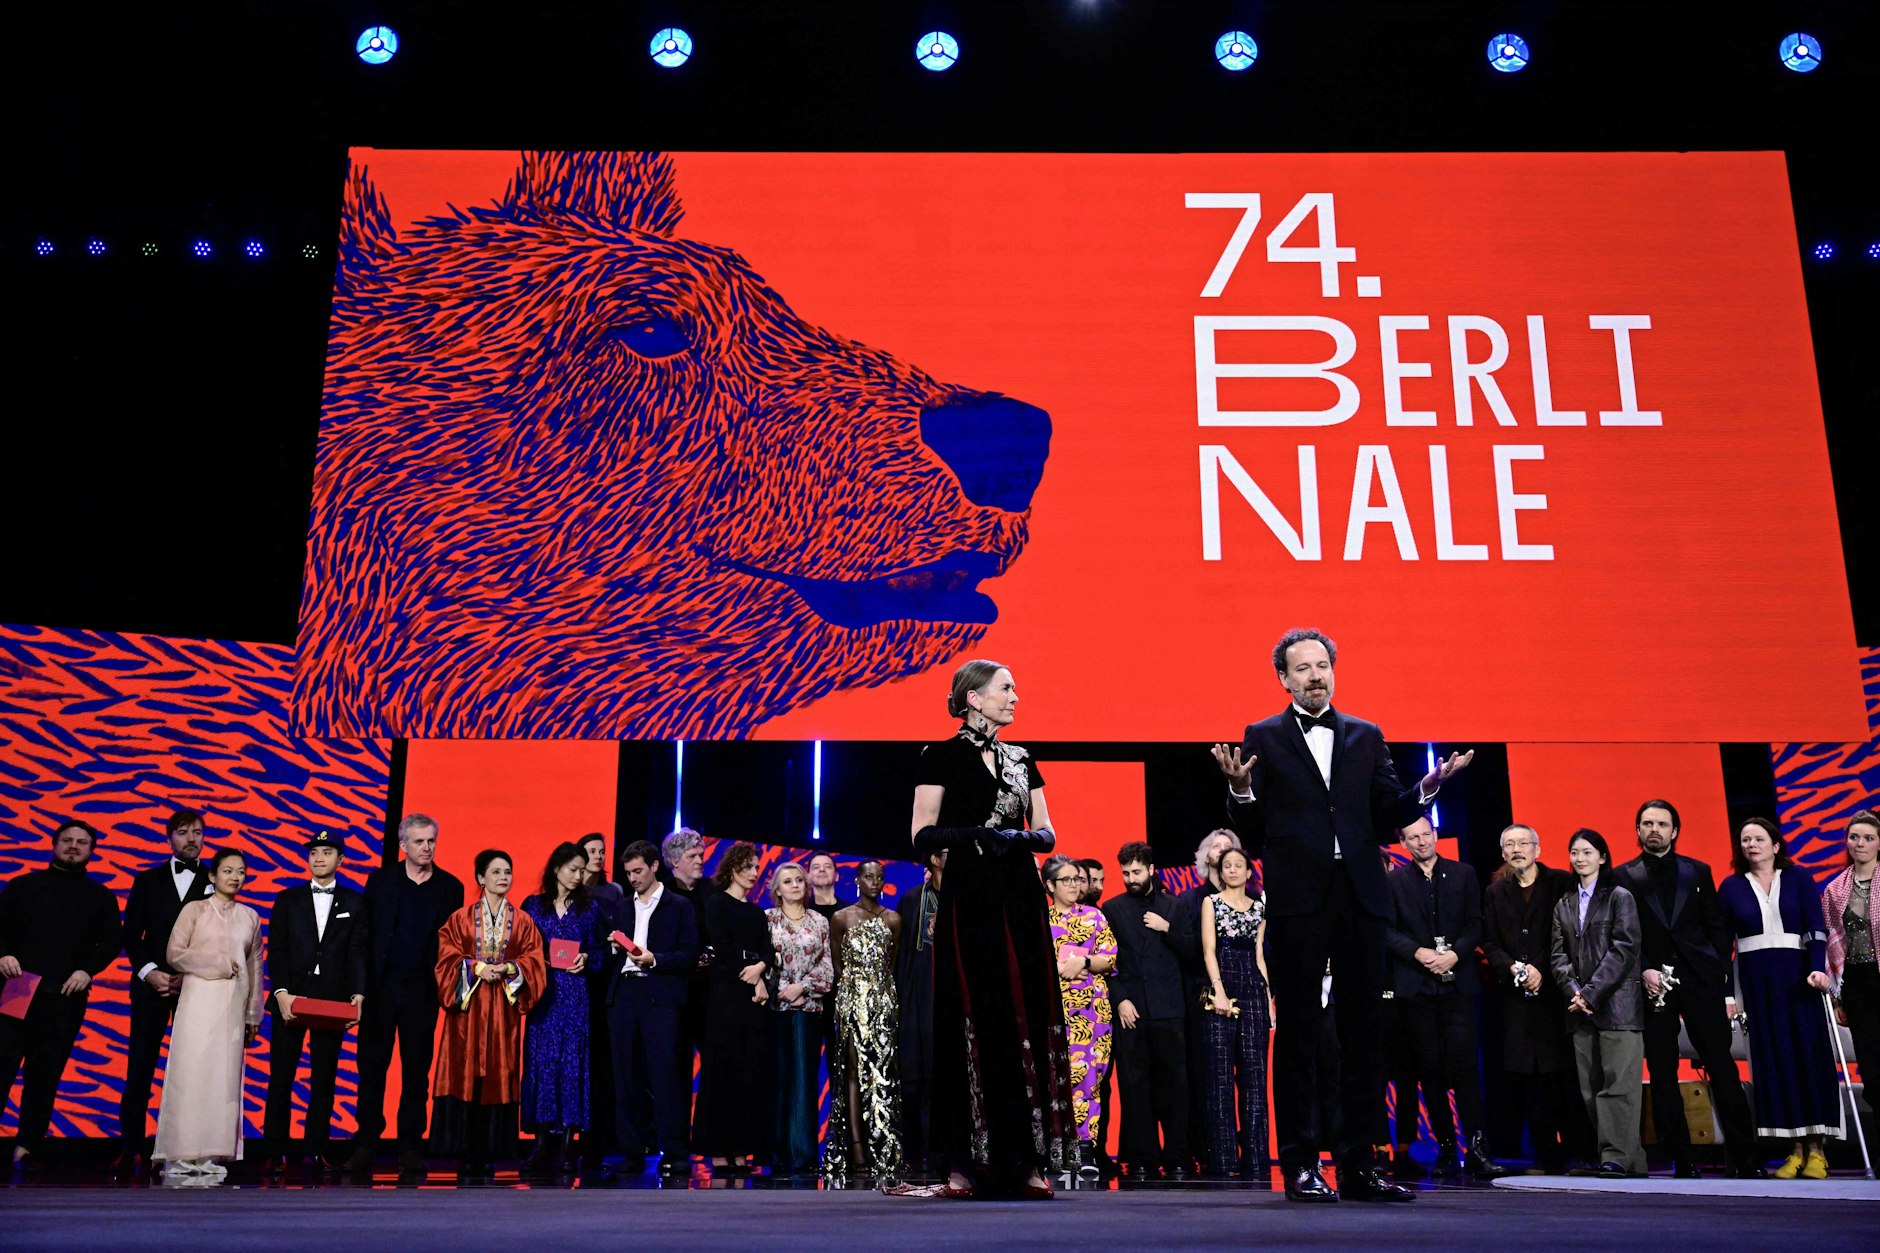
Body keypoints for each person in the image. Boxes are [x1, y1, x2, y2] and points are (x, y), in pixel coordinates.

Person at [1212, 627, 1469, 1203]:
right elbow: (1252, 836)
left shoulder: (1365, 734)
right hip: (1300, 900)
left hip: (1361, 898)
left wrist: (1429, 785)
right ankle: (1301, 1164)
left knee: (1364, 1035)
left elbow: (1385, 818)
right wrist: (1243, 793)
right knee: (1300, 1033)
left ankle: (1360, 1165)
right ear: (1283, 678)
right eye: (1301, 668)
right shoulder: (1263, 736)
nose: (1314, 675)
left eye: (1322, 665)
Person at [911, 658, 1076, 1198]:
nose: (1015, 697)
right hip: (969, 898)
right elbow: (921, 834)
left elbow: (1046, 833)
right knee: (970, 1015)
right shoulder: (940, 756)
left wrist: (1014, 840)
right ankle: (962, 1164)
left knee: (1021, 1014)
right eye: (1006, 688)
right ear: (974, 698)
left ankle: (1025, 1163)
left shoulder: (1022, 759)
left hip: (1019, 898)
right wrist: (977, 837)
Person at [1612, 799, 1760, 1178]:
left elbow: (1716, 928)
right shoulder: (1622, 876)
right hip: (1652, 985)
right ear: (1638, 830)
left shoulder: (1697, 871)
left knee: (1722, 1067)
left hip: (1700, 980)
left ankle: (1746, 1159)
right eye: (1647, 823)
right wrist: (1644, 969)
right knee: (1662, 1072)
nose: (1654, 829)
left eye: (1662, 823)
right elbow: (1622, 935)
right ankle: (1682, 1159)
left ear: (1674, 831)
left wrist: (1722, 981)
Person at [1718, 817, 1843, 1178]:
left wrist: (1818, 968)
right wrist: (1728, 995)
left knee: (1809, 1057)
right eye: (1745, 840)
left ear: (1775, 846)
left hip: (1800, 980)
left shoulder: (1800, 879)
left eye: (1759, 839)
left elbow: (1815, 928)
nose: (1751, 845)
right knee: (1774, 1060)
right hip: (1757, 984)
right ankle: (1794, 1149)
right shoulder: (1730, 888)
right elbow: (1722, 946)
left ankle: (1817, 1149)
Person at [1382, 817, 1504, 1181]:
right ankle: (1447, 1149)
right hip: (1416, 987)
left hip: (1457, 984)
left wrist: (1456, 954)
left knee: (1466, 1068)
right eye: (1413, 838)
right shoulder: (1394, 882)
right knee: (1429, 1071)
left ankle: (1479, 1150)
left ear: (1435, 835)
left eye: (1425, 834)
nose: (1421, 842)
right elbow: (1386, 931)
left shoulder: (1464, 874)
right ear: (1403, 843)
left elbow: (1476, 923)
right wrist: (1418, 953)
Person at [346, 813, 466, 1176]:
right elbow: (364, 939)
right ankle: (365, 1143)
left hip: (422, 991)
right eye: (419, 841)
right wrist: (360, 990)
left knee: (416, 1073)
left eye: (431, 841)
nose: (427, 847)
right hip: (381, 990)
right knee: (371, 1070)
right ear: (403, 845)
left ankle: (410, 1146)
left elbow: (452, 945)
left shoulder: (450, 886)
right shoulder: (381, 881)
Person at [0, 820, 122, 1172]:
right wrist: (3, 954)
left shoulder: (100, 897)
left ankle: (27, 1147)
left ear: (91, 850)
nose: (73, 846)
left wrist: (87, 971)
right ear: (54, 844)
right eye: (67, 840)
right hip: (19, 988)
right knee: (2, 1068)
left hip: (65, 995)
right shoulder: (23, 886)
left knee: (45, 1075)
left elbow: (113, 942)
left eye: (82, 842)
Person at [431, 848, 547, 1177]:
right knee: (466, 1075)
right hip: (469, 1009)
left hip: (501, 1012)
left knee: (497, 1075)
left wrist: (511, 967)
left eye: (507, 872)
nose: (503, 877)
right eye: (495, 872)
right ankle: (465, 1152)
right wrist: (475, 967)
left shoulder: (523, 921)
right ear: (481, 878)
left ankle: (491, 1152)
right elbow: (446, 956)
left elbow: (534, 960)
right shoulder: (460, 918)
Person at [259, 830, 368, 1175]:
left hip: (331, 1003)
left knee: (324, 1078)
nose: (319, 858)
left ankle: (316, 1151)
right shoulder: (287, 899)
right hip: (290, 999)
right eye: (314, 852)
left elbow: (357, 951)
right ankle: (274, 1151)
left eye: (327, 852)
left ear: (341, 859)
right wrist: (281, 993)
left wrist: (358, 994)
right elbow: (275, 949)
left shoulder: (355, 901)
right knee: (281, 1078)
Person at [114, 808, 216, 1176]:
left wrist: (192, 975)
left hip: (199, 991)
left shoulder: (216, 879)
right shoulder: (146, 880)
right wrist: (149, 973)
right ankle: (131, 1149)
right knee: (139, 1069)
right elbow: (131, 935)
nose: (192, 838)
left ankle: (186, 1151)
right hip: (150, 989)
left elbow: (222, 938)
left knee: (194, 1072)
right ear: (169, 837)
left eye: (198, 832)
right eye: (184, 832)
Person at [152, 848, 265, 1180]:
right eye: (227, 871)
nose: (234, 877)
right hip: (198, 1001)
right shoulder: (195, 910)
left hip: (233, 1005)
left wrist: (252, 1013)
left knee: (223, 1080)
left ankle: (213, 1157)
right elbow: (174, 954)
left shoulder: (250, 916)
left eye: (240, 871)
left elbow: (255, 967)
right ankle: (181, 1156)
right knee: (190, 1076)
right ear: (213, 876)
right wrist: (215, 965)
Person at [1480, 823, 1582, 1174]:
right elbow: (1489, 942)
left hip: (1557, 994)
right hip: (1516, 999)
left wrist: (1539, 968)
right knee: (1531, 1080)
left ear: (1538, 849)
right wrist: (1512, 968)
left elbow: (1569, 934)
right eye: (1510, 844)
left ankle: (1577, 1151)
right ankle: (1544, 1155)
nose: (1517, 849)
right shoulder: (1495, 892)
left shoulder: (1559, 883)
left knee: (1563, 1075)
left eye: (1524, 843)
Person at [1550, 828, 1644, 1178]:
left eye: (1587, 852)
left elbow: (1624, 949)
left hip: (1618, 1007)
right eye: (1574, 852)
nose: (1580, 858)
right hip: (1580, 1010)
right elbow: (1557, 957)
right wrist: (1575, 992)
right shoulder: (1564, 904)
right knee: (1591, 1089)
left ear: (1602, 857)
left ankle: (1617, 1157)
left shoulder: (1620, 896)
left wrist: (1590, 993)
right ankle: (1629, 1160)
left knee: (1618, 1086)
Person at [605, 839, 701, 1178]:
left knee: (666, 1077)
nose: (632, 878)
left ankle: (675, 1152)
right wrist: (613, 948)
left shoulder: (679, 906)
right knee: (626, 1078)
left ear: (655, 866)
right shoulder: (620, 905)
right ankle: (631, 1153)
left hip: (661, 996)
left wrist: (654, 959)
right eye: (628, 872)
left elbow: (690, 955)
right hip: (625, 996)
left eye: (638, 871)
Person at [1103, 841, 1192, 1180]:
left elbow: (1194, 953)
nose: (1131, 878)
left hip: (1169, 1008)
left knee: (1175, 1086)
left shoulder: (1176, 906)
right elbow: (1110, 963)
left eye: (1136, 872)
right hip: (1132, 1009)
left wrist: (1167, 929)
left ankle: (1178, 1157)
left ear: (1151, 869)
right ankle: (1142, 1158)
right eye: (1125, 873)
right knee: (1134, 1086)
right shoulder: (1113, 908)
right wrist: (1120, 999)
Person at [520, 842, 604, 1178]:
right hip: (543, 995)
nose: (579, 875)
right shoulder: (533, 906)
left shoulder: (590, 908)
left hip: (574, 994)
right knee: (542, 1064)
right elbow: (521, 947)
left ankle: (570, 1142)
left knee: (572, 1066)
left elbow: (600, 952)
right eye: (573, 868)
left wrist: (587, 959)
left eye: (583, 870)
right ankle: (542, 1141)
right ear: (556, 869)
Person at [693, 841, 777, 1172]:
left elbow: (766, 951)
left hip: (752, 1004)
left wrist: (761, 970)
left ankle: (742, 1148)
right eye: (750, 866)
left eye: (758, 868)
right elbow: (723, 950)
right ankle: (717, 1149)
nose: (755, 873)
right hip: (726, 998)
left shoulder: (757, 912)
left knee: (748, 1072)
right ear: (733, 867)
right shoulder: (716, 904)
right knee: (722, 1073)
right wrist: (755, 977)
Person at [824, 858, 904, 1184]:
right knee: (853, 1072)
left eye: (879, 876)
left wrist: (879, 995)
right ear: (857, 879)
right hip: (850, 1002)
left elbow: (892, 964)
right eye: (868, 876)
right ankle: (857, 1149)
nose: (874, 881)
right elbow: (837, 963)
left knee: (883, 1074)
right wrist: (854, 995)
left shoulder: (894, 919)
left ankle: (883, 1147)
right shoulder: (841, 918)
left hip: (884, 1004)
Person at [1043, 853, 1118, 1179]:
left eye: (1077, 879)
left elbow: (1110, 959)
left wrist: (1084, 962)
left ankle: (1086, 1150)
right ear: (1050, 885)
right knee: (1052, 1079)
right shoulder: (1039, 919)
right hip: (1053, 1011)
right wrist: (1056, 968)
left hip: (1091, 1012)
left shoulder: (1094, 917)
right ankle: (1054, 1152)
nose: (1074, 885)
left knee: (1090, 1081)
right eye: (1067, 880)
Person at [1199, 846, 1272, 1179]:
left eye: (1237, 865)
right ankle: (1224, 1161)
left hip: (1253, 988)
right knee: (1219, 1078)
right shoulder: (1210, 904)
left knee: (1255, 1078)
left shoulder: (1259, 908)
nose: (1231, 870)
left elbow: (1260, 955)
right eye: (1226, 865)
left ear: (1247, 873)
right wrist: (1220, 991)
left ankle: (1257, 1161)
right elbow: (1209, 951)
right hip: (1221, 988)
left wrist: (1269, 999)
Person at [1172, 827, 1241, 1172]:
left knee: (1246, 1076)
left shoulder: (1251, 898)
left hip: (1244, 992)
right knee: (1208, 1076)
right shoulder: (1191, 899)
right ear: (1205, 856)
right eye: (1216, 846)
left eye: (1228, 847)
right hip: (1203, 996)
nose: (1222, 852)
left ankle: (1246, 1150)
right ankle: (1212, 1148)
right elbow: (1186, 947)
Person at [766, 860, 833, 1175]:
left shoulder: (820, 921)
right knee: (778, 1078)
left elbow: (827, 970)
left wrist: (802, 988)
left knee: (805, 1080)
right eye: (787, 881)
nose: (794, 885)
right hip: (775, 1010)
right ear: (777, 889)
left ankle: (804, 1154)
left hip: (808, 1010)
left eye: (798, 880)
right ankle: (777, 1153)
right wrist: (782, 989)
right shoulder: (767, 920)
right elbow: (762, 964)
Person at [1824, 809, 1880, 1134]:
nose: (1859, 843)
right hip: (1858, 984)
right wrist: (1838, 997)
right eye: (1854, 837)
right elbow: (1833, 946)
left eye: (1868, 838)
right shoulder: (1834, 889)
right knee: (1872, 1070)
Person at [661, 825, 715, 1149]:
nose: (700, 860)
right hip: (674, 995)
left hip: (709, 995)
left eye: (701, 854)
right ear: (674, 860)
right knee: (674, 1071)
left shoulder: (713, 891)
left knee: (714, 1068)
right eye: (693, 855)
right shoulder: (663, 894)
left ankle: (709, 1141)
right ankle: (675, 1143)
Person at [894, 845, 945, 1174]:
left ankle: (945, 1153)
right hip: (917, 996)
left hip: (951, 996)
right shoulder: (914, 899)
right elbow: (903, 957)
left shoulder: (964, 897)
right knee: (915, 1077)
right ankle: (915, 1152)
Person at [578, 831, 622, 1171]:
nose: (598, 856)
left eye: (602, 851)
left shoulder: (613, 892)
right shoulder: (572, 894)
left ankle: (598, 1144)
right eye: (591, 851)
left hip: (603, 978)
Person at [807, 852, 846, 923]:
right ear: (808, 877)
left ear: (836, 876)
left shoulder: (849, 911)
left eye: (827, 866)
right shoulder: (801, 911)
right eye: (816, 867)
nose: (822, 869)